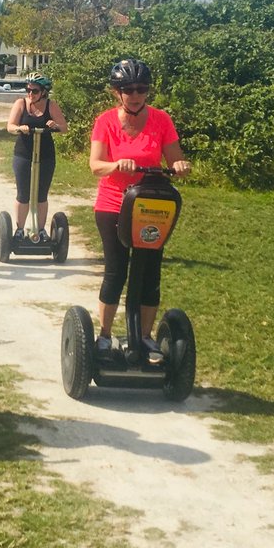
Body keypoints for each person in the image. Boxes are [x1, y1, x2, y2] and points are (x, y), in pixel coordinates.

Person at [88, 58, 190, 357]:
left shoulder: (162, 120)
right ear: (116, 92)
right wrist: (116, 164)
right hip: (112, 203)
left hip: (151, 203)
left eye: (141, 89)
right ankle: (105, 335)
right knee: (116, 271)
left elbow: (174, 158)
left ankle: (144, 336)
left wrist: (180, 165)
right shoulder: (105, 121)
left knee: (149, 271)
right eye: (128, 89)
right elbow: (95, 165)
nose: (135, 95)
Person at [5, 74, 67, 243]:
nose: (30, 93)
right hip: (23, 153)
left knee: (41, 194)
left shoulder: (51, 106)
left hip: (46, 154)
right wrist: (20, 128)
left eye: (35, 90)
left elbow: (64, 128)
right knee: (23, 193)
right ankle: (19, 230)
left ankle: (40, 230)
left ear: (44, 92)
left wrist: (55, 126)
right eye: (28, 90)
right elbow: (10, 126)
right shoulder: (20, 104)